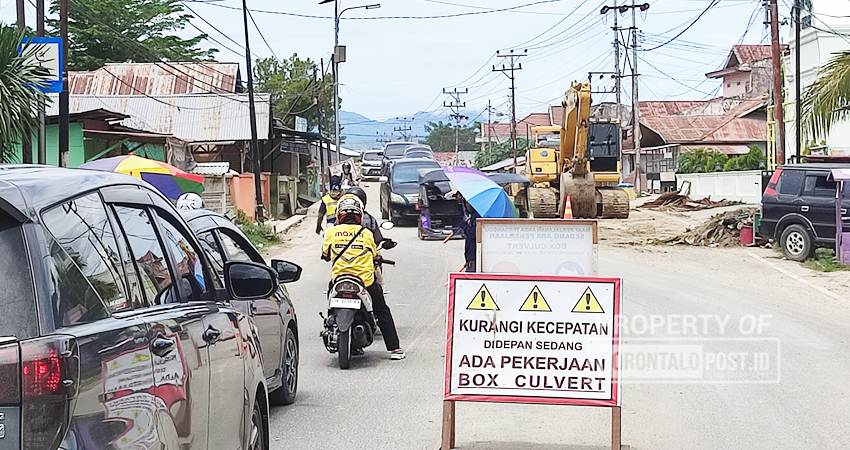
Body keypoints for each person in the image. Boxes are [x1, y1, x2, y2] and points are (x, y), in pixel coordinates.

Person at [322, 198, 405, 360]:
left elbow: (325, 255)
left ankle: (332, 323)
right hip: (365, 281)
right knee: (381, 310)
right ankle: (395, 349)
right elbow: (375, 255)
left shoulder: (331, 232)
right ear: (359, 215)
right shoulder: (366, 233)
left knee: (330, 302)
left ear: (339, 215)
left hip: (339, 280)